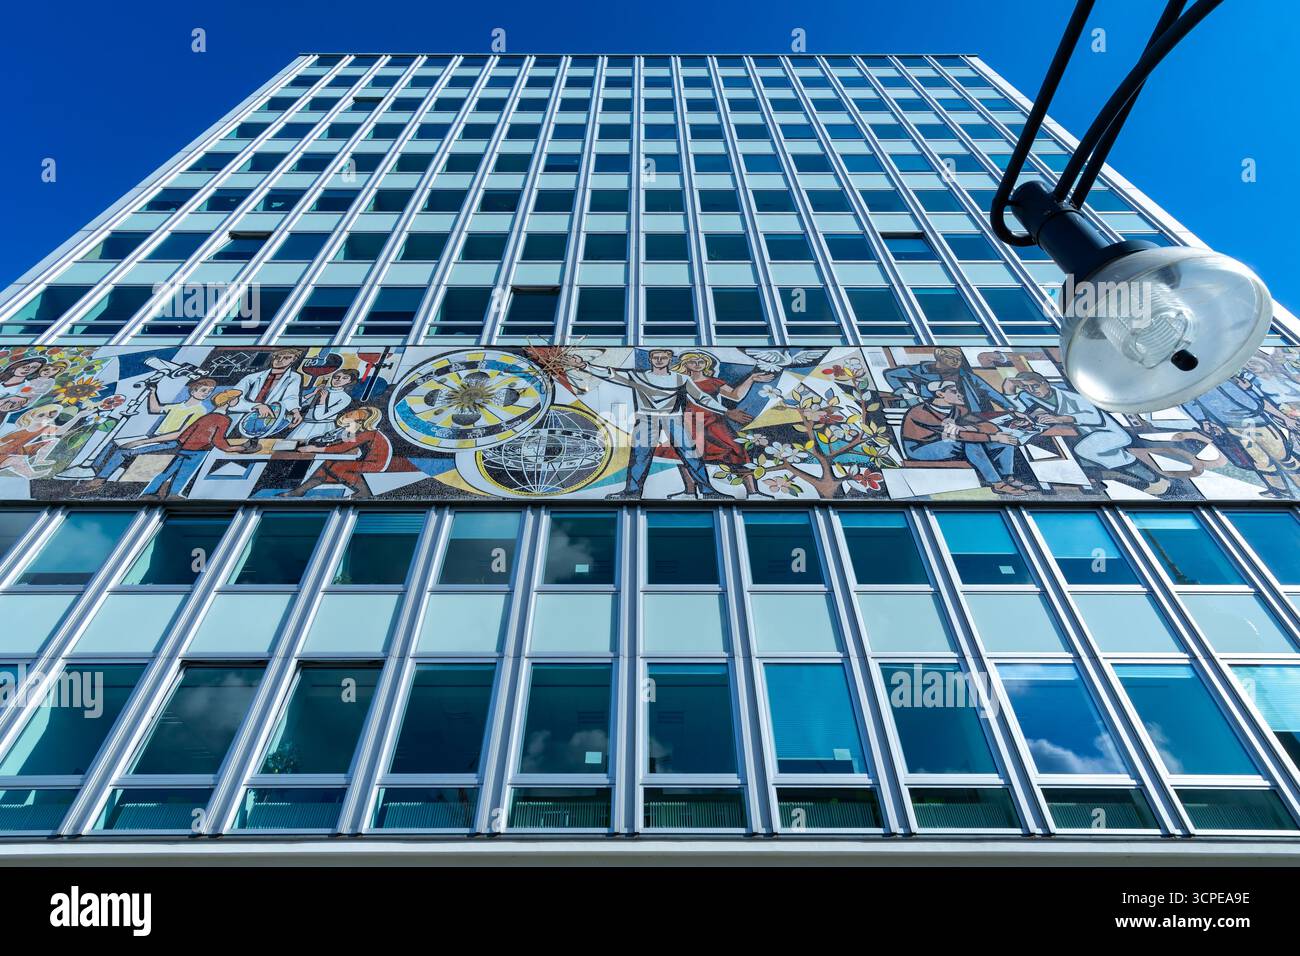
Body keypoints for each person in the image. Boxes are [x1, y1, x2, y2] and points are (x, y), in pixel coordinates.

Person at [580, 348, 752, 499]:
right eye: (656, 357)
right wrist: (585, 366)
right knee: (640, 457)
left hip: (674, 418)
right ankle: (632, 493)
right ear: (651, 360)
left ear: (670, 360)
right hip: (647, 418)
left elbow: (701, 398)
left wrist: (726, 411)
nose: (660, 360)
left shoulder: (680, 379)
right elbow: (612, 374)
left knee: (691, 455)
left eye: (663, 357)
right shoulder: (638, 376)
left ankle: (708, 492)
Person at [1007, 371, 1169, 495]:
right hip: (1076, 435)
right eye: (1026, 387)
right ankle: (1098, 479)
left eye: (1035, 386)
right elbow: (1019, 409)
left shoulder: (1072, 397)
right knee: (1068, 450)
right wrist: (1010, 392)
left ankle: (1153, 479)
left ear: (1045, 383)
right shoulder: (1028, 397)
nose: (1032, 391)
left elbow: (1093, 417)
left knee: (1087, 450)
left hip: (1106, 433)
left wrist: (1060, 419)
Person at [69, 377, 218, 491]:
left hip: (171, 442)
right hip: (155, 438)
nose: (206, 394)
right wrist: (152, 392)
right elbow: (154, 409)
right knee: (113, 443)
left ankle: (99, 480)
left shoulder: (199, 411)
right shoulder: (179, 406)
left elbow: (180, 434)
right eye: (204, 390)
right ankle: (96, 473)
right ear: (193, 390)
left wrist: (141, 442)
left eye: (209, 392)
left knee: (124, 450)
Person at [662, 351, 773, 497]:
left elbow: (735, 395)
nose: (697, 364)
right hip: (689, 422)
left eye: (701, 361)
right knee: (683, 456)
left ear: (706, 364)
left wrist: (751, 378)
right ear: (685, 363)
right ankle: (689, 492)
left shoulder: (713, 381)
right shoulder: (678, 381)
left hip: (714, 422)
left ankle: (753, 492)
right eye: (693, 361)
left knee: (737, 452)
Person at [1182, 372, 1300, 498]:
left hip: (1258, 422)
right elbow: (1191, 404)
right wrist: (1205, 422)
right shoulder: (1192, 389)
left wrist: (1284, 418)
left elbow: (1260, 402)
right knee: (1260, 460)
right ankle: (1280, 489)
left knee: (1282, 456)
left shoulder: (1230, 380)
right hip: (1233, 426)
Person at [900, 380, 1029, 495]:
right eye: (954, 391)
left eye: (960, 391)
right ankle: (996, 483)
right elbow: (955, 435)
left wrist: (968, 428)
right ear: (940, 394)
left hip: (950, 442)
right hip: (922, 448)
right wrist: (992, 438)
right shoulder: (921, 411)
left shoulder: (959, 410)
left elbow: (988, 426)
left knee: (1005, 440)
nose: (960, 395)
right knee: (973, 442)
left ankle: (1009, 478)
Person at [138, 389, 257, 499]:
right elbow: (218, 440)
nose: (237, 400)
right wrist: (235, 448)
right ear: (229, 401)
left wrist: (182, 444)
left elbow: (187, 433)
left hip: (184, 449)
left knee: (167, 472)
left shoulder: (205, 416)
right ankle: (173, 494)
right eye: (236, 398)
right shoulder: (224, 419)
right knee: (184, 474)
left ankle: (148, 492)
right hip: (200, 450)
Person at [283, 406, 391, 499]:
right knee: (328, 464)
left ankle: (364, 491)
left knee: (337, 467)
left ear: (363, 420)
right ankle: (300, 491)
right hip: (368, 461)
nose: (349, 414)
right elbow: (343, 444)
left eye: (354, 414)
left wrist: (313, 449)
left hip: (375, 464)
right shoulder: (362, 432)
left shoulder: (369, 433)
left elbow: (342, 448)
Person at [884, 346, 1017, 414]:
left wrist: (1010, 407)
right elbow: (891, 374)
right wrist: (904, 392)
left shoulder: (965, 375)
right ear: (939, 357)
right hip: (936, 411)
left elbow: (990, 392)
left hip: (971, 413)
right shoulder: (920, 370)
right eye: (952, 358)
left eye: (958, 359)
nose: (956, 361)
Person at [230, 347, 304, 435]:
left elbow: (291, 396)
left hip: (271, 419)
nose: (280, 360)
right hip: (244, 418)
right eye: (277, 357)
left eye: (287, 357)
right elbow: (231, 399)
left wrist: (295, 411)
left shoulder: (294, 377)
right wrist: (257, 406)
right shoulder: (251, 377)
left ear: (293, 360)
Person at [288, 368, 359, 441]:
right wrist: (313, 394)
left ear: (349, 381)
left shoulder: (345, 398)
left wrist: (322, 400)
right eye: (336, 377)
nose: (339, 380)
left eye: (344, 378)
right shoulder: (324, 390)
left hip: (322, 427)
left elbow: (319, 417)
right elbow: (300, 405)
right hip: (304, 425)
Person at [0, 403, 62, 478]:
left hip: (17, 450)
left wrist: (78, 416)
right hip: (5, 454)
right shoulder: (22, 431)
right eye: (41, 415)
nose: (45, 418)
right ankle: (30, 474)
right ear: (32, 416)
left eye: (50, 417)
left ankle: (39, 461)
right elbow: (3, 440)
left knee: (51, 441)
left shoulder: (44, 427)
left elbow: (62, 430)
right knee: (17, 459)